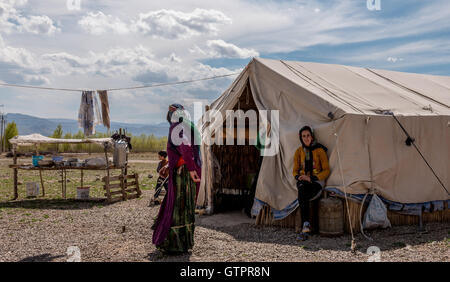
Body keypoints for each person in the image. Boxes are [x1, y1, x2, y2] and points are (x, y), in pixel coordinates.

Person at [152, 103, 202, 254]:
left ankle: (174, 244)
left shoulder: (177, 126)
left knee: (177, 206)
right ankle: (184, 242)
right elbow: (183, 150)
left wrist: (191, 169)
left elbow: (185, 147)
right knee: (185, 206)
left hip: (183, 173)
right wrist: (169, 165)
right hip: (187, 170)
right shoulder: (188, 126)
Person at [293, 125, 330, 240]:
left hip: (316, 181)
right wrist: (299, 177)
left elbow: (326, 170)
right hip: (304, 181)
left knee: (302, 194)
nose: (306, 138)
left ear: (312, 136)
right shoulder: (299, 152)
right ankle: (306, 226)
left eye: (308, 135)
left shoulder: (319, 150)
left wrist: (312, 178)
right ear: (300, 138)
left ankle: (305, 225)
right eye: (303, 136)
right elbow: (295, 170)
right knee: (302, 189)